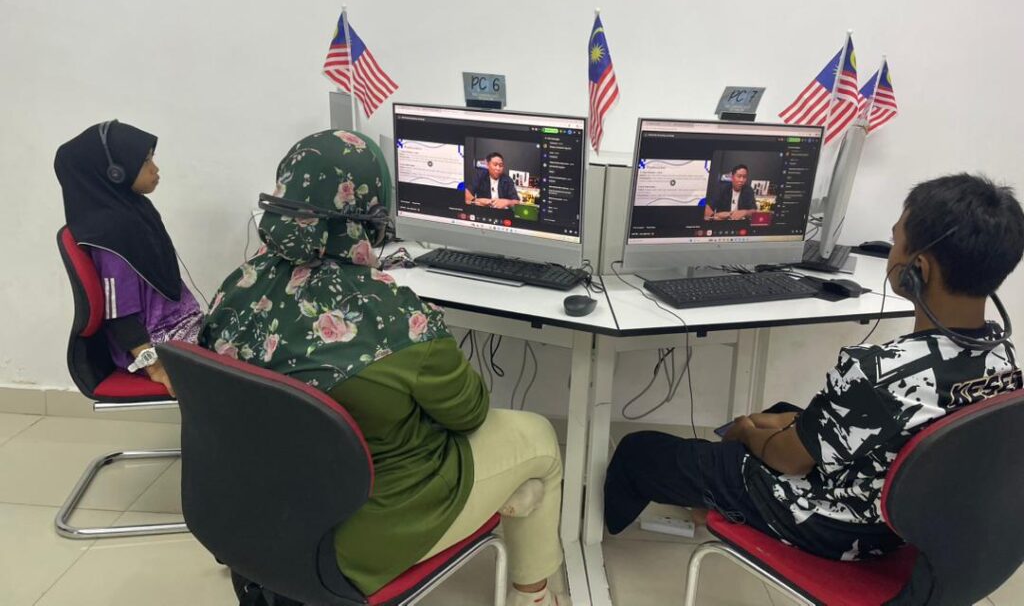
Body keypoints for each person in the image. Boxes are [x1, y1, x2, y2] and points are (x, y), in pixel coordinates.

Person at [201, 130, 569, 606]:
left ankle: (513, 507)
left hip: (248, 521)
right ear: (372, 214)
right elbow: (470, 413)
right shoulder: (395, 317)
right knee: (539, 438)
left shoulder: (237, 287)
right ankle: (532, 596)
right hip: (351, 544)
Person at [606, 173, 1023, 561]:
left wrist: (747, 431)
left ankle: (597, 535)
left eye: (895, 240)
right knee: (778, 413)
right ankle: (719, 490)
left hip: (833, 526)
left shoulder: (877, 372)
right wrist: (778, 425)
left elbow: (790, 461)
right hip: (903, 521)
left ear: (920, 268)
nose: (891, 252)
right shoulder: (1003, 359)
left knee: (639, 450)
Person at [54, 120, 204, 396]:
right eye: (145, 161)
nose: (155, 168)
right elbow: (120, 315)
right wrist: (155, 367)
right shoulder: (113, 235)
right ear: (114, 172)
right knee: (250, 357)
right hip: (156, 343)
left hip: (177, 325)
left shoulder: (135, 212)